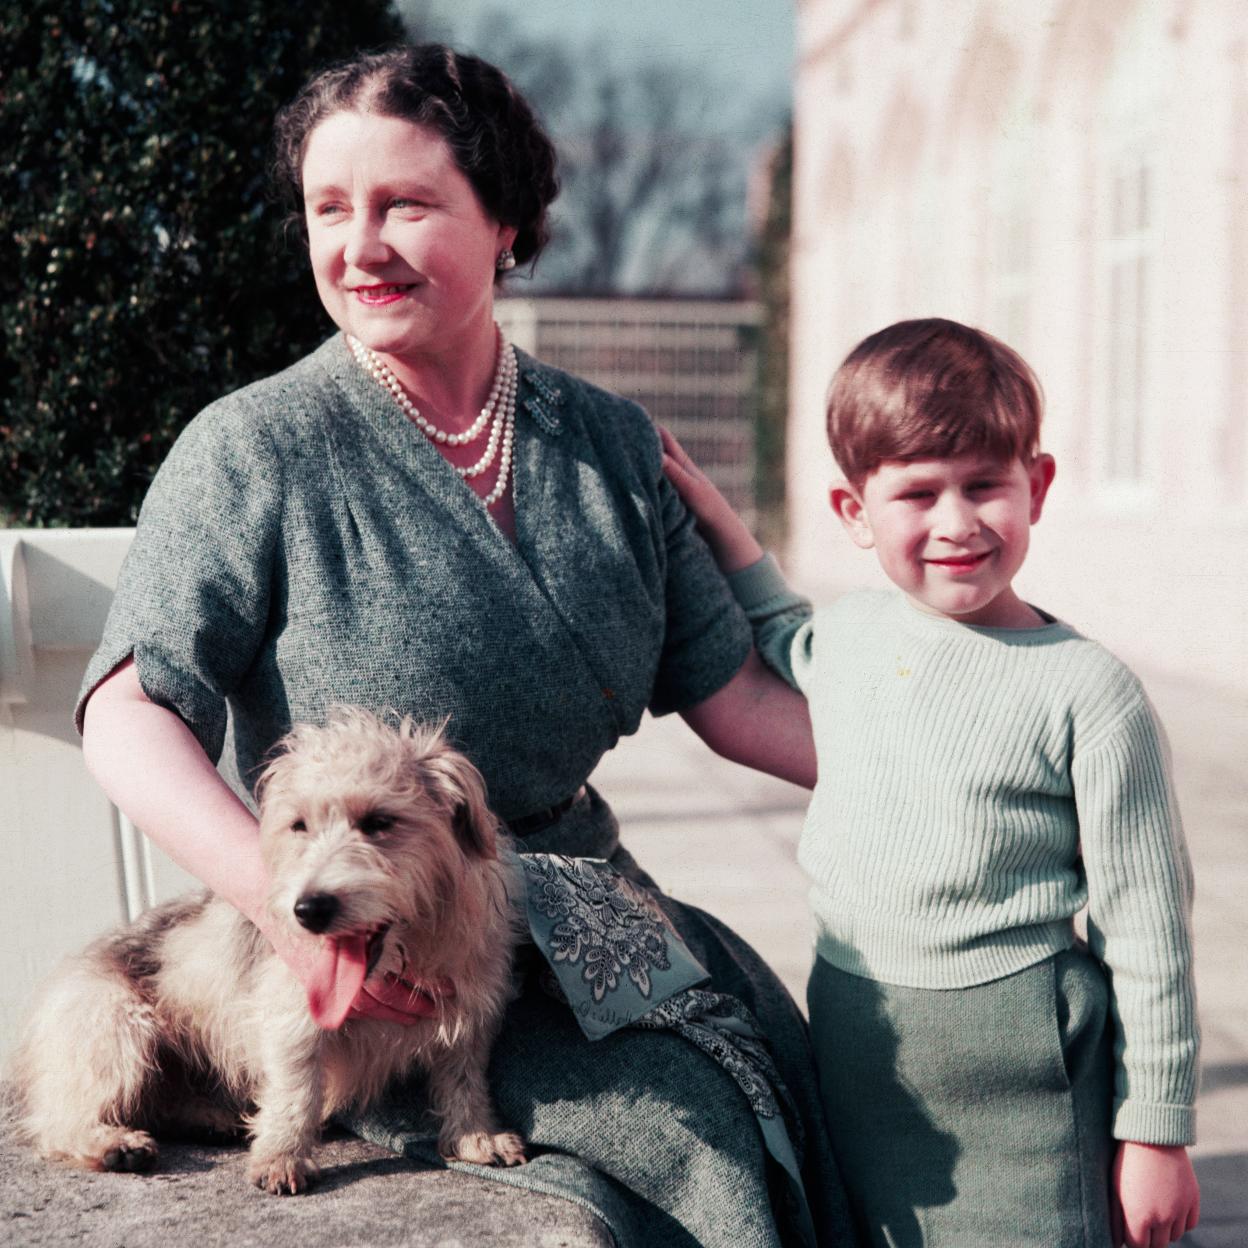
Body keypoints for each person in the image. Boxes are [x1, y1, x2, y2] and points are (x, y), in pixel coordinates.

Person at [75, 43, 851, 1248]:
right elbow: (129, 711)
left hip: (585, 912)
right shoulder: (252, 448)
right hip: (364, 953)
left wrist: (969, 761)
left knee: (779, 1069)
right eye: (330, 208)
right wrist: (282, 903)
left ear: (507, 224)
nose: (360, 243)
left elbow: (741, 698)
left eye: (407, 204)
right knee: (675, 1136)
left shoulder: (606, 443)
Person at [662, 318, 1201, 1248]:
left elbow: (1148, 931)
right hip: (860, 1036)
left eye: (985, 486)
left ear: (1037, 486)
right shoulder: (858, 636)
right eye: (918, 493)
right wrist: (721, 523)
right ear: (854, 514)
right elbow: (783, 626)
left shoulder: (1088, 692)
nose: (957, 523)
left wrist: (1156, 1129)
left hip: (1024, 1081)